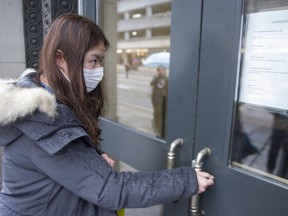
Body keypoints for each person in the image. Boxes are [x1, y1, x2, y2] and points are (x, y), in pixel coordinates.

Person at [0, 13, 214, 215]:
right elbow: (113, 190)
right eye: (93, 60)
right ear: (60, 59)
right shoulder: (43, 124)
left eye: (100, 61)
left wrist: (90, 159)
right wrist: (187, 180)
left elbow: (67, 170)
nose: (99, 69)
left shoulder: (47, 98)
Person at [150, 66, 168, 138]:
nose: (160, 71)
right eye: (159, 70)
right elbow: (151, 83)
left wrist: (164, 84)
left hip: (163, 101)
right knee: (157, 116)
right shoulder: (156, 78)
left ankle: (162, 132)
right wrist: (157, 77)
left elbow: (167, 88)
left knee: (162, 116)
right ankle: (158, 130)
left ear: (164, 71)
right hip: (156, 100)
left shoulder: (166, 79)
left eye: (162, 70)